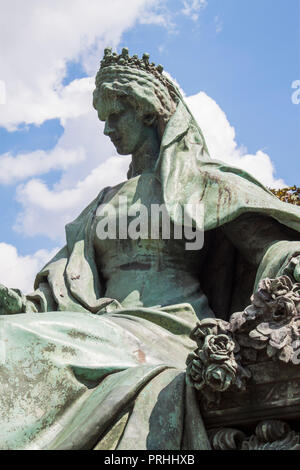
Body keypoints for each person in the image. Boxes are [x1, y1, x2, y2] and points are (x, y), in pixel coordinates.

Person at [0, 48, 300, 450]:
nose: (107, 129)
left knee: (17, 345)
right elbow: (61, 283)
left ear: (145, 111)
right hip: (102, 324)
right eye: (103, 119)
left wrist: (291, 264)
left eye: (114, 115)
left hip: (173, 330)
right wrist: (21, 304)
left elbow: (273, 249)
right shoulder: (103, 202)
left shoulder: (202, 185)